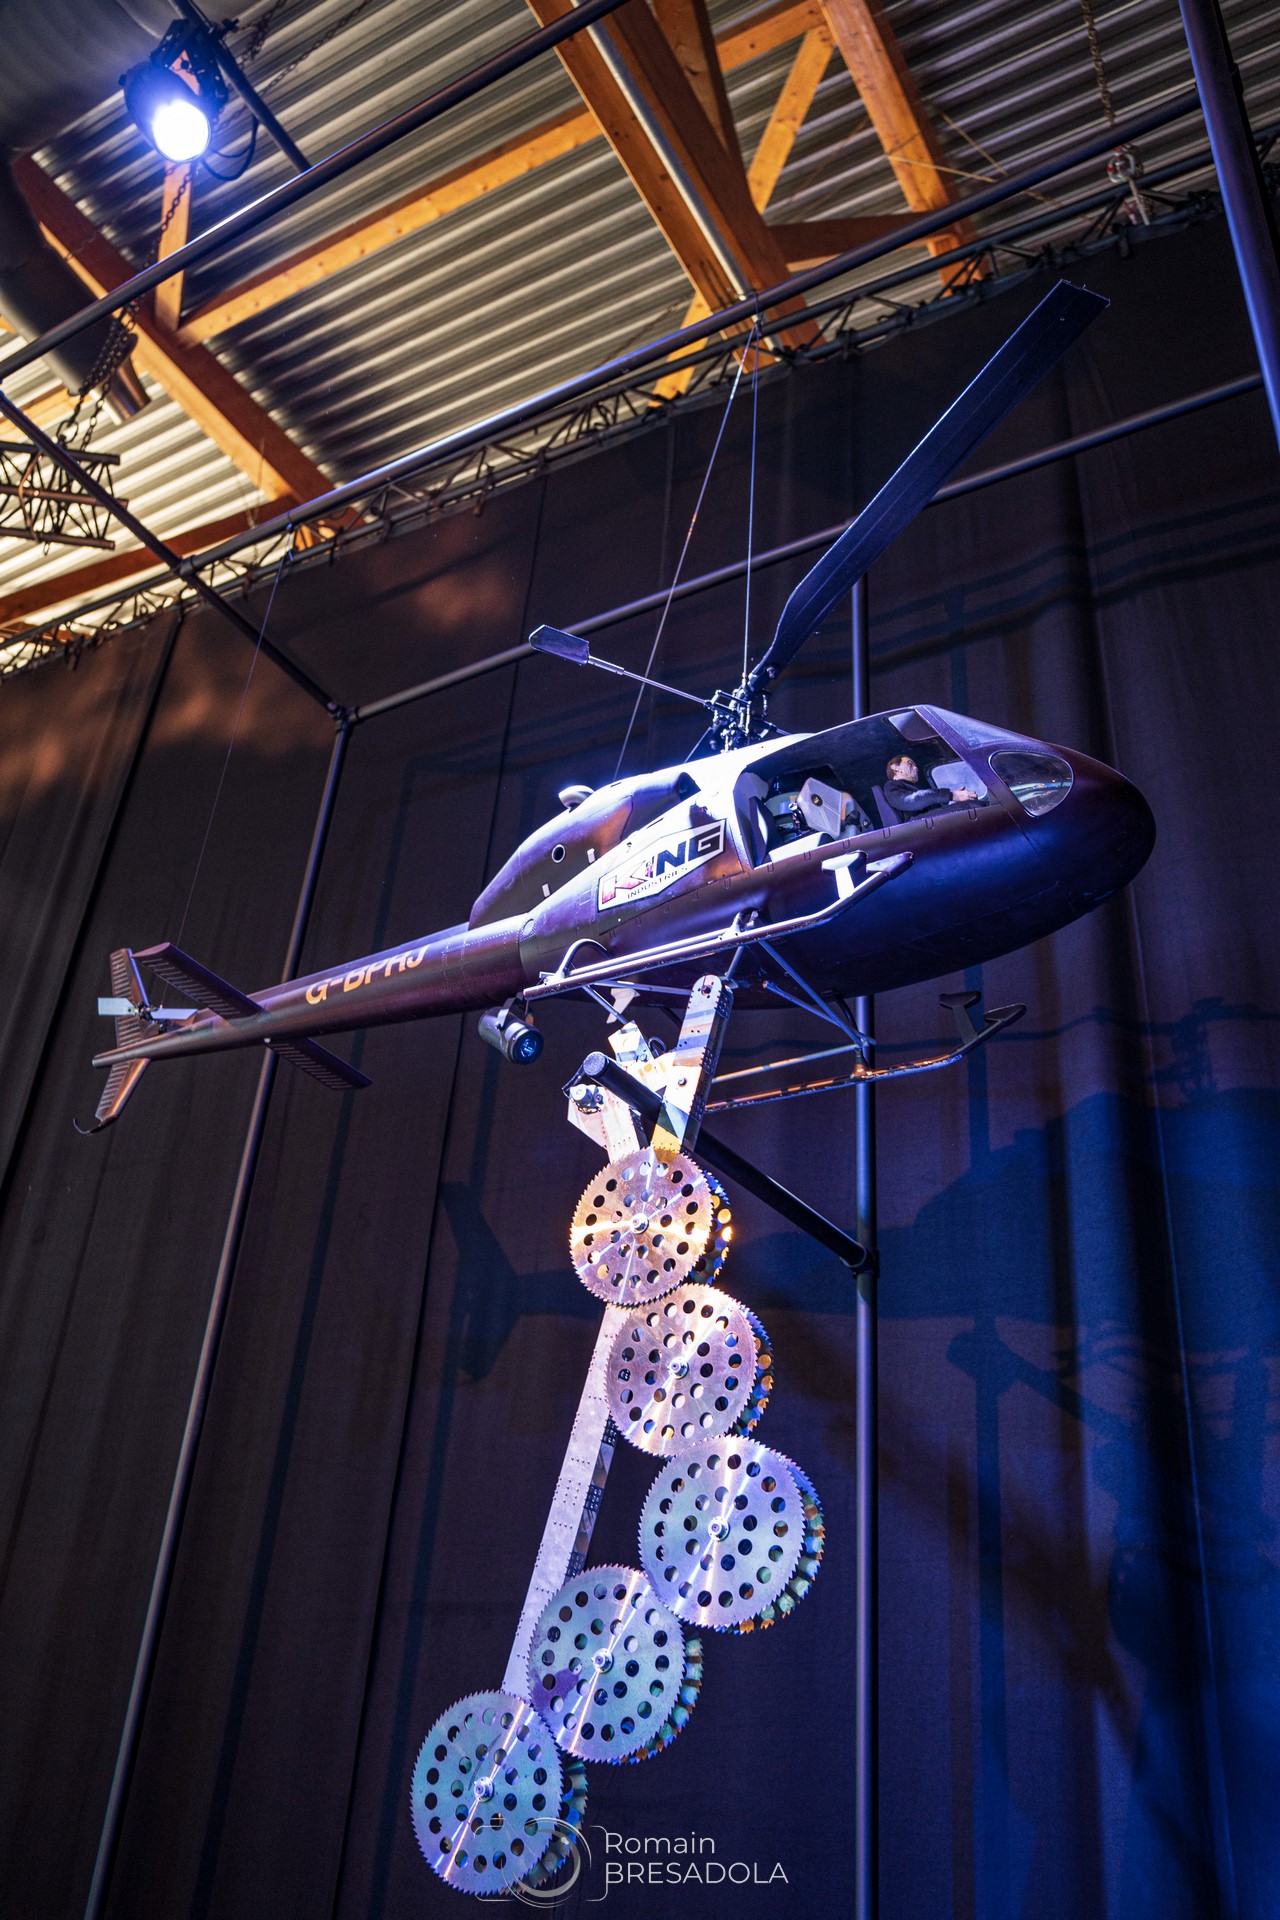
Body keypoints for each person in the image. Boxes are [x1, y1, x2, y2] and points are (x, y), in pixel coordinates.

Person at [883, 754, 980, 818]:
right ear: (895, 767)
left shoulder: (910, 788)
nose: (916, 768)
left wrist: (952, 801)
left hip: (923, 824)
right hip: (917, 826)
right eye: (910, 764)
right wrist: (952, 795)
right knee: (972, 807)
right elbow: (910, 801)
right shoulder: (891, 785)